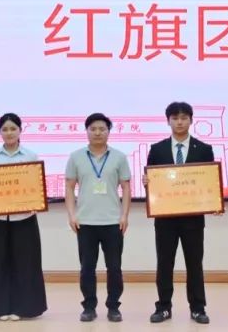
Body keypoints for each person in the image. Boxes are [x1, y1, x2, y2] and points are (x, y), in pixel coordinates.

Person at [146, 101, 215, 325]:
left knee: (194, 264)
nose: (179, 122)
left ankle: (198, 308)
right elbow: (152, 183)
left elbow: (209, 182)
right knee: (164, 263)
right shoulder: (157, 149)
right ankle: (163, 307)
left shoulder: (203, 149)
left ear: (191, 121)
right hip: (165, 219)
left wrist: (213, 201)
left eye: (184, 118)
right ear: (168, 121)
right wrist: (148, 182)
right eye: (175, 118)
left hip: (193, 219)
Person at [0, 113, 48, 320]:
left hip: (24, 218)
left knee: (25, 264)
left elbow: (37, 185)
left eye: (13, 128)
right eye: (5, 129)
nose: (9, 133)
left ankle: (23, 308)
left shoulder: (30, 156)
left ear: (20, 131)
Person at [64, 113, 132, 323]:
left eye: (102, 129)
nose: (97, 133)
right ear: (86, 131)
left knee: (114, 268)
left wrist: (124, 215)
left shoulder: (119, 157)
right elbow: (69, 187)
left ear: (109, 131)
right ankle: (89, 307)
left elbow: (126, 187)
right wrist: (72, 214)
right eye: (93, 129)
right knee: (87, 268)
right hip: (85, 222)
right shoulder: (76, 157)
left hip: (113, 222)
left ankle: (114, 307)